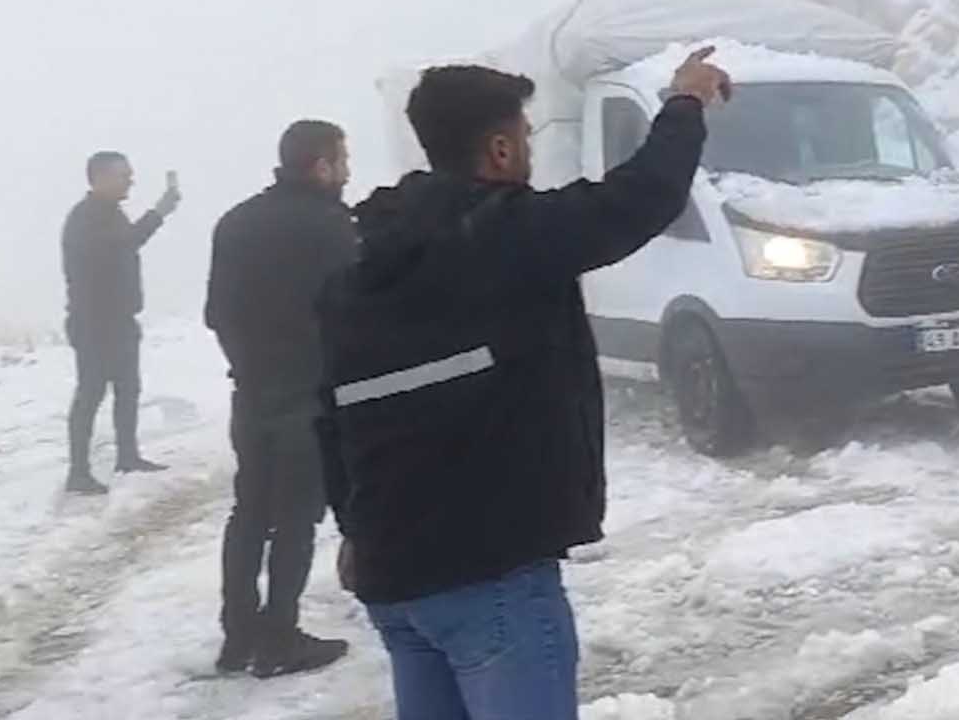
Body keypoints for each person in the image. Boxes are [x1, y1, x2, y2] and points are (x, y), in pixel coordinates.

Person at [317, 48, 729, 720]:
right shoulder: (503, 235)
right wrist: (685, 103)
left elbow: (331, 418)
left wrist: (355, 529)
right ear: (502, 148)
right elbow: (639, 197)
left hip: (395, 582)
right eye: (527, 138)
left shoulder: (356, 274)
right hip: (490, 577)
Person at [205, 121, 359, 678]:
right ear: (320, 165)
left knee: (249, 513)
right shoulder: (333, 226)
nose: (348, 171)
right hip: (308, 395)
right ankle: (279, 638)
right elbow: (354, 310)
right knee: (295, 519)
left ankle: (237, 635)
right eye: (343, 160)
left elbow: (215, 313)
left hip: (250, 392)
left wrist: (247, 363)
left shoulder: (236, 223)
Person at [62, 151, 180, 494]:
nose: (130, 180)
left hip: (120, 321)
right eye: (123, 175)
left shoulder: (110, 213)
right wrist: (159, 212)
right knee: (90, 394)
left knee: (128, 390)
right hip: (94, 323)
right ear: (98, 178)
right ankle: (78, 472)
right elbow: (121, 245)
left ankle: (128, 456)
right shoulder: (84, 218)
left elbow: (125, 245)